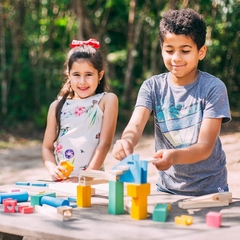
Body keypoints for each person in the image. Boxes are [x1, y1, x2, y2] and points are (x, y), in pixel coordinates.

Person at [112, 9, 231, 196]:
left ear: (201, 52)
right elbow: (135, 124)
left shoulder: (213, 88)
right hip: (167, 189)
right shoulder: (152, 87)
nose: (176, 57)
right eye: (169, 50)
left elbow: (204, 147)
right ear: (161, 49)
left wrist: (173, 157)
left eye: (185, 50)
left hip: (210, 189)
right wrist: (126, 141)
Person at [42, 38, 118, 182]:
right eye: (76, 75)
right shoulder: (57, 106)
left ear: (100, 75)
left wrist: (85, 177)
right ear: (68, 74)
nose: (82, 81)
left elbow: (105, 144)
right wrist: (53, 170)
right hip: (63, 184)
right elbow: (47, 147)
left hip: (92, 182)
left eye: (89, 74)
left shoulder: (106, 100)